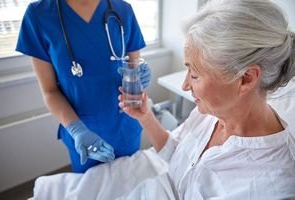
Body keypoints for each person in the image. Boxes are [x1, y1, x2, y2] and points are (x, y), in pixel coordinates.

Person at [118, 0, 295, 198]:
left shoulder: (270, 186)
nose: (185, 85)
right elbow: (176, 153)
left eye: (194, 75)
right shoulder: (210, 114)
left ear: (246, 78)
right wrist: (146, 117)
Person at [16, 0, 151, 173]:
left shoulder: (123, 10)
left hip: (125, 125)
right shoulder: (38, 15)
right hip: (83, 134)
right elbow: (49, 91)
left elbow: (134, 66)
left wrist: (141, 75)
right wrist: (77, 130)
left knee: (131, 185)